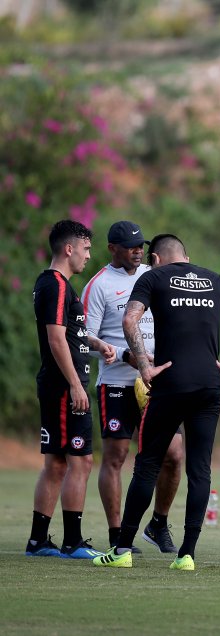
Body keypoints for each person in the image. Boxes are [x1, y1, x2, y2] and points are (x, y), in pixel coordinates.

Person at [93, 234, 220, 570]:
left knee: (147, 464)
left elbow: (129, 320)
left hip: (170, 382)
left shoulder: (152, 277)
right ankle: (187, 555)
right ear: (185, 256)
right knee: (200, 469)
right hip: (209, 384)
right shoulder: (216, 280)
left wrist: (144, 365)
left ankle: (122, 550)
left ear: (156, 258)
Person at [81, 221, 183, 554]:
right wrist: (116, 351)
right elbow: (84, 335)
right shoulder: (99, 285)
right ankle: (116, 534)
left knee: (173, 454)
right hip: (117, 382)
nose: (137, 251)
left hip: (159, 381)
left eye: (141, 246)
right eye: (130, 246)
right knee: (116, 457)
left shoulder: (153, 277)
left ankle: (157, 524)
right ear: (112, 249)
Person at [26, 220, 112, 559]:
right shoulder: (57, 285)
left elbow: (67, 333)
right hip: (64, 388)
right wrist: (76, 385)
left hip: (59, 386)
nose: (89, 256)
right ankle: (72, 541)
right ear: (69, 249)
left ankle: (37, 541)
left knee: (58, 464)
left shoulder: (54, 285)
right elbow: (55, 339)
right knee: (81, 461)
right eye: (87, 248)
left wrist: (93, 341)